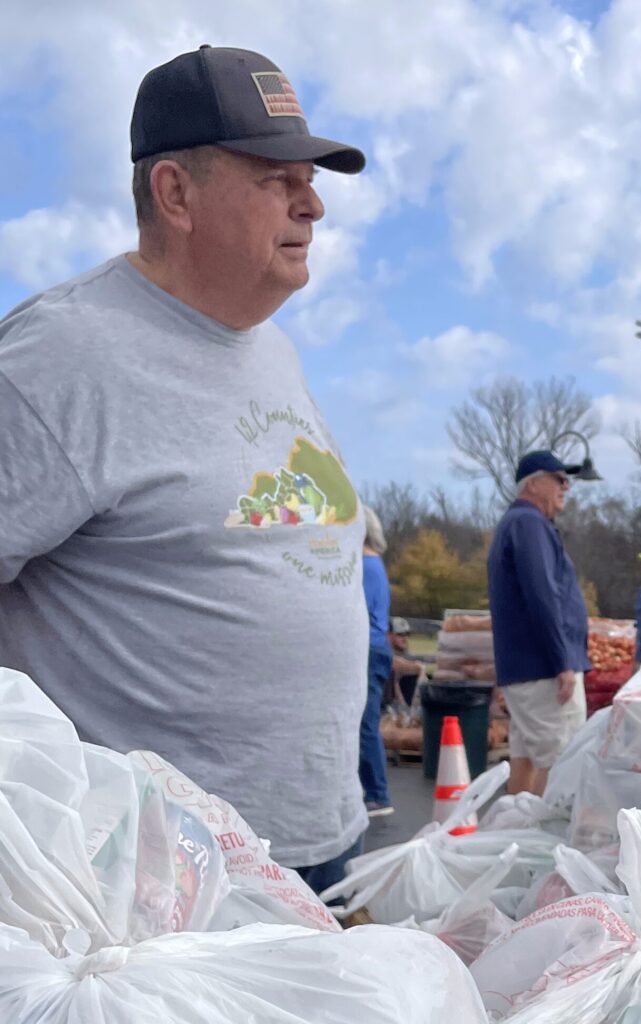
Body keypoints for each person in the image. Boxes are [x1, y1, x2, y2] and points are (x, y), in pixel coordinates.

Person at [0, 46, 369, 894]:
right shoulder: (61, 357)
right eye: (279, 178)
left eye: (310, 179)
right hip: (160, 888)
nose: (313, 204)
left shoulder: (271, 350)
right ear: (175, 193)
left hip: (314, 848)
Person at [487, 450, 591, 797]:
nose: (567, 486)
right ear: (532, 484)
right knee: (561, 761)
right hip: (543, 671)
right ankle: (543, 845)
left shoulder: (518, 524)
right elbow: (542, 595)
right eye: (558, 478)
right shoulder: (529, 525)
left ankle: (512, 837)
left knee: (526, 759)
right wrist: (562, 661)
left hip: (528, 670)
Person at [360, 508, 394, 817]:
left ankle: (377, 793)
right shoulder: (376, 566)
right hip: (377, 649)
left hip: (367, 650)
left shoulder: (364, 568)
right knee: (366, 721)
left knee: (365, 722)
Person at [388, 616, 428, 706]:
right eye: (400, 634)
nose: (405, 638)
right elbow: (396, 665)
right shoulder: (384, 655)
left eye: (407, 634)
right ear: (389, 635)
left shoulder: (408, 656)